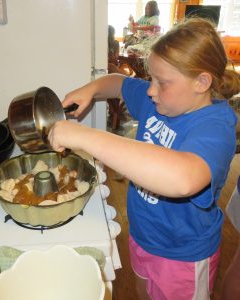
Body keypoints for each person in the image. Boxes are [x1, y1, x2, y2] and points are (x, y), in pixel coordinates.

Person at [48, 18, 240, 300]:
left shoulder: (214, 128)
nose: (150, 90)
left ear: (202, 82)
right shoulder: (158, 102)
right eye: (152, 79)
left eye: (161, 82)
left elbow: (183, 178)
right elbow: (119, 83)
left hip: (181, 257)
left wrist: (85, 136)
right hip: (143, 237)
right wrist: (91, 90)